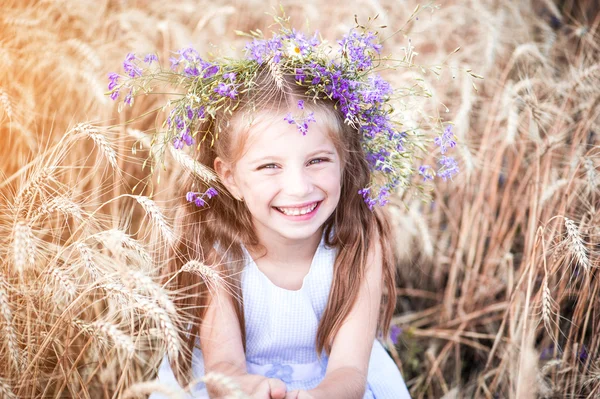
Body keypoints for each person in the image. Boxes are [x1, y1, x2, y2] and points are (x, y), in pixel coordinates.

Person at [108, 17, 452, 399]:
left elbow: (351, 370)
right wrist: (247, 389)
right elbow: (224, 367)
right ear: (231, 177)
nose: (298, 188)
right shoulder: (214, 247)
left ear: (345, 160)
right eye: (269, 166)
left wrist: (319, 396)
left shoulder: (358, 241)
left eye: (317, 161)